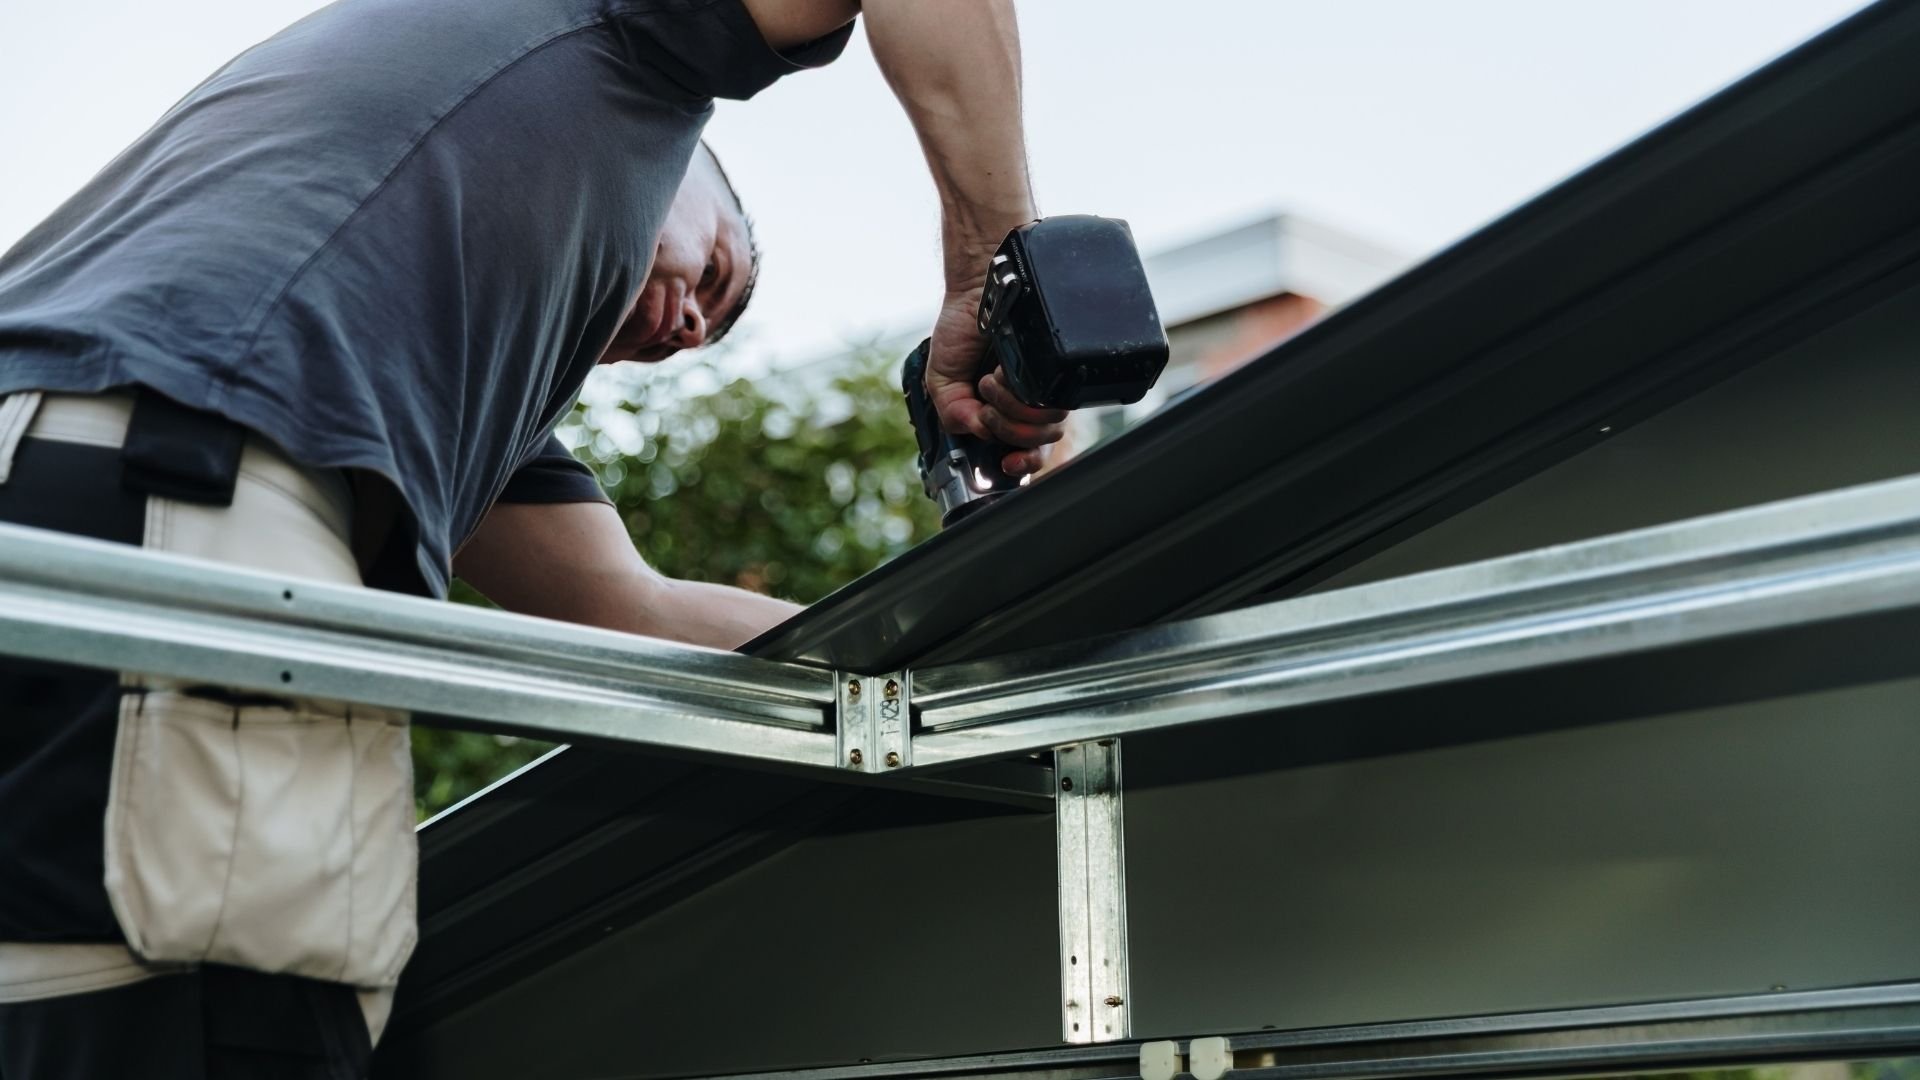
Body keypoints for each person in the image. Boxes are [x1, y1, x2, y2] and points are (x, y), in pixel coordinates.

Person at [0, 0, 1067, 1075]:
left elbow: (633, 611)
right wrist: (997, 275)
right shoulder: (624, 43)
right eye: (711, 275)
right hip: (160, 486)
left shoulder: (427, 363)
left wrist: (962, 679)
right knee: (224, 1024)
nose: (690, 327)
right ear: (678, 167)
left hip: (65, 500)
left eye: (686, 344)